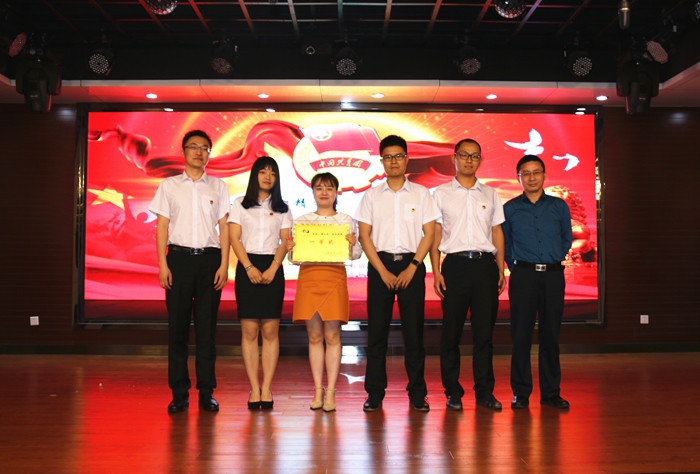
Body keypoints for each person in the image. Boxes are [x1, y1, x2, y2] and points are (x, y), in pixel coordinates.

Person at [355, 135, 440, 413]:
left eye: (398, 156)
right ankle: (374, 393)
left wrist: (413, 266)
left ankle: (417, 393)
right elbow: (364, 236)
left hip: (411, 266)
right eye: (388, 157)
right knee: (376, 333)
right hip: (380, 266)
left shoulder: (421, 194)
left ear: (406, 159)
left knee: (414, 334)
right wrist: (382, 271)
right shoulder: (371, 195)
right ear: (382, 161)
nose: (394, 161)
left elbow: (429, 234)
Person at [149, 130, 230, 414]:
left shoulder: (218, 186)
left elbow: (224, 228)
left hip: (210, 261)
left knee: (207, 331)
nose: (199, 151)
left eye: (204, 148)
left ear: (209, 153)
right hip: (179, 261)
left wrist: (224, 264)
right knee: (178, 330)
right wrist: (163, 264)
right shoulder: (169, 186)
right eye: (193, 147)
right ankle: (179, 393)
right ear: (183, 151)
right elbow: (162, 227)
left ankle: (206, 392)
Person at [429, 139, 506, 412]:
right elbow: (435, 235)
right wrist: (436, 271)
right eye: (464, 155)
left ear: (480, 160)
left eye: (474, 156)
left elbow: (497, 232)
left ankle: (485, 392)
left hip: (485, 267)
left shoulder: (491, 194)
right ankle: (453, 392)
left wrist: (500, 268)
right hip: (455, 267)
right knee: (451, 333)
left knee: (484, 334)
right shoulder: (440, 194)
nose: (469, 160)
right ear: (454, 158)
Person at [502, 155, 573, 410]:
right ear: (519, 178)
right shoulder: (510, 208)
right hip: (523, 276)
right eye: (526, 173)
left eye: (536, 172)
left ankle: (551, 393)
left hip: (553, 276)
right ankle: (521, 393)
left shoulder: (559, 206)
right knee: (521, 335)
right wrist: (518, 268)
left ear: (544, 175)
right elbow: (506, 243)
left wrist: (554, 258)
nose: (531, 178)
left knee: (550, 335)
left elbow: (566, 238)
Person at [290, 172, 363, 412]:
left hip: (334, 278)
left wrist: (353, 244)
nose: (324, 192)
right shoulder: (302, 221)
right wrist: (291, 248)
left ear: (336, 192)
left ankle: (331, 391)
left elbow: (355, 255)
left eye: (329, 188)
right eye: (319, 188)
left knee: (332, 336)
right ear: (312, 192)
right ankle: (317, 390)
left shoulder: (345, 220)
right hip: (309, 278)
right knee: (314, 337)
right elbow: (293, 259)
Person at [228, 156, 292, 410]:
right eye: (263, 172)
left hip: (273, 266)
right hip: (248, 266)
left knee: (270, 331)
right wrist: (249, 267)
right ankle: (254, 388)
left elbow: (286, 240)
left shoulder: (283, 208)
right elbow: (234, 239)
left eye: (272, 173)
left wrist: (274, 267)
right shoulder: (240, 204)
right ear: (254, 175)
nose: (268, 177)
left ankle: (267, 388)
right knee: (249, 331)